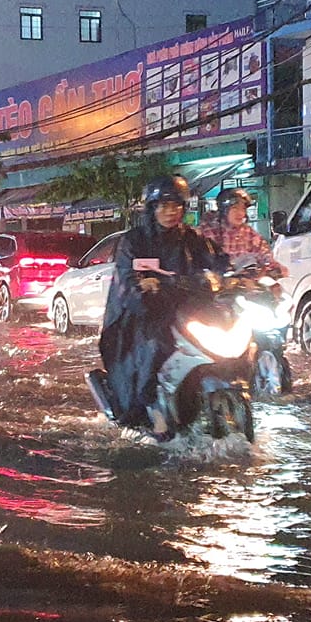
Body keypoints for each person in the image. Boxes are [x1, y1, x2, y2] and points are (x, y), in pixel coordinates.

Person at [91, 176, 224, 435]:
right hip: (142, 314)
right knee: (154, 346)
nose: (170, 212)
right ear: (151, 208)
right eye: (163, 206)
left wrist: (234, 274)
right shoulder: (135, 240)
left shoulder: (192, 239)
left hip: (187, 311)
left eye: (175, 206)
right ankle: (150, 406)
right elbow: (127, 277)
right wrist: (142, 286)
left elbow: (218, 261)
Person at [199, 189, 285, 278]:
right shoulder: (210, 229)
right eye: (235, 208)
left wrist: (275, 267)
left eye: (243, 209)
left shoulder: (249, 233)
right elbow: (206, 258)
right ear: (224, 210)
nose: (240, 213)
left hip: (243, 287)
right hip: (216, 285)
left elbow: (264, 253)